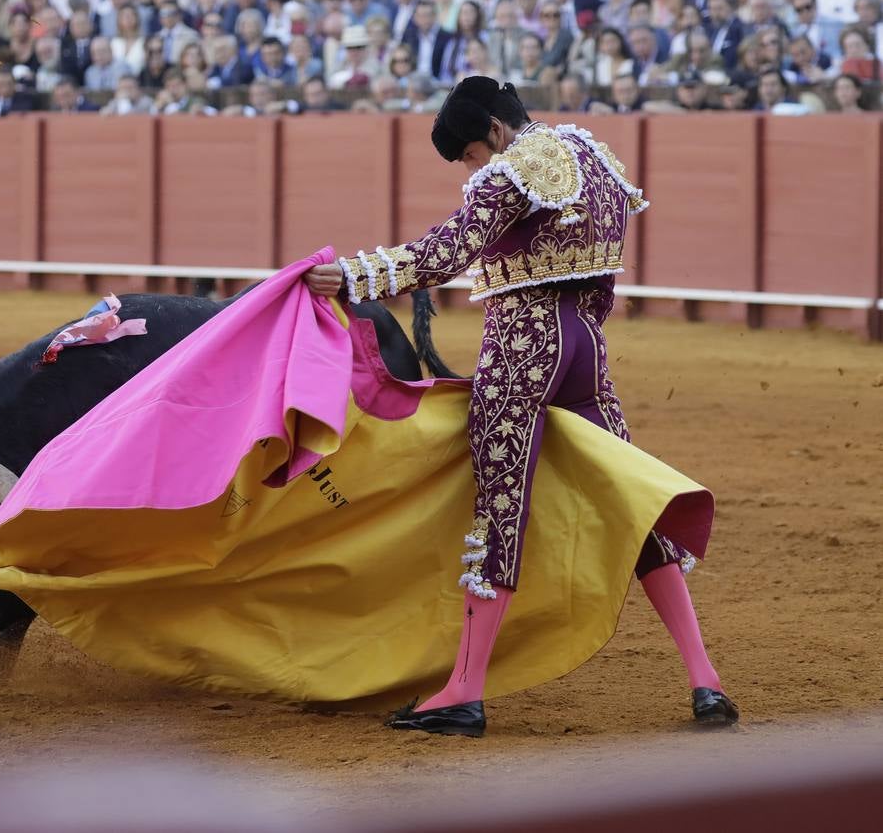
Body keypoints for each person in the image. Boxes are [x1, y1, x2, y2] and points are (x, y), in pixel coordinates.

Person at [301, 76, 738, 736]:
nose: (473, 169)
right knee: (629, 501)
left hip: (521, 346)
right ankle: (704, 680)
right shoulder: (595, 159)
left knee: (500, 509)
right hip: (586, 349)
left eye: (470, 156)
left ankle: (463, 692)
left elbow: (442, 254)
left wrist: (354, 276)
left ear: (494, 135)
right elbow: (601, 277)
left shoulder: (511, 170)